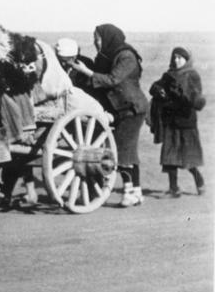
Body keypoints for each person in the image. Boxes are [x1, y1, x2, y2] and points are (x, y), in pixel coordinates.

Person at [70, 24, 149, 207]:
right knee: (128, 149)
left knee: (122, 149)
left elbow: (113, 79)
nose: (95, 43)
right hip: (120, 108)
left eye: (97, 39)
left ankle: (129, 192)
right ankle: (136, 192)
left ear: (107, 39)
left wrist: (86, 71)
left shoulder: (126, 56)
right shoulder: (107, 56)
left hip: (132, 108)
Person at [149, 47, 206, 196]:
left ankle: (199, 180)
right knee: (169, 156)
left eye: (180, 57)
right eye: (174, 57)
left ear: (186, 60)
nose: (176, 60)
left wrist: (181, 93)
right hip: (170, 120)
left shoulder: (192, 75)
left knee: (187, 157)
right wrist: (158, 90)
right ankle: (173, 188)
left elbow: (196, 98)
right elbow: (154, 87)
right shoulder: (168, 75)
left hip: (186, 121)